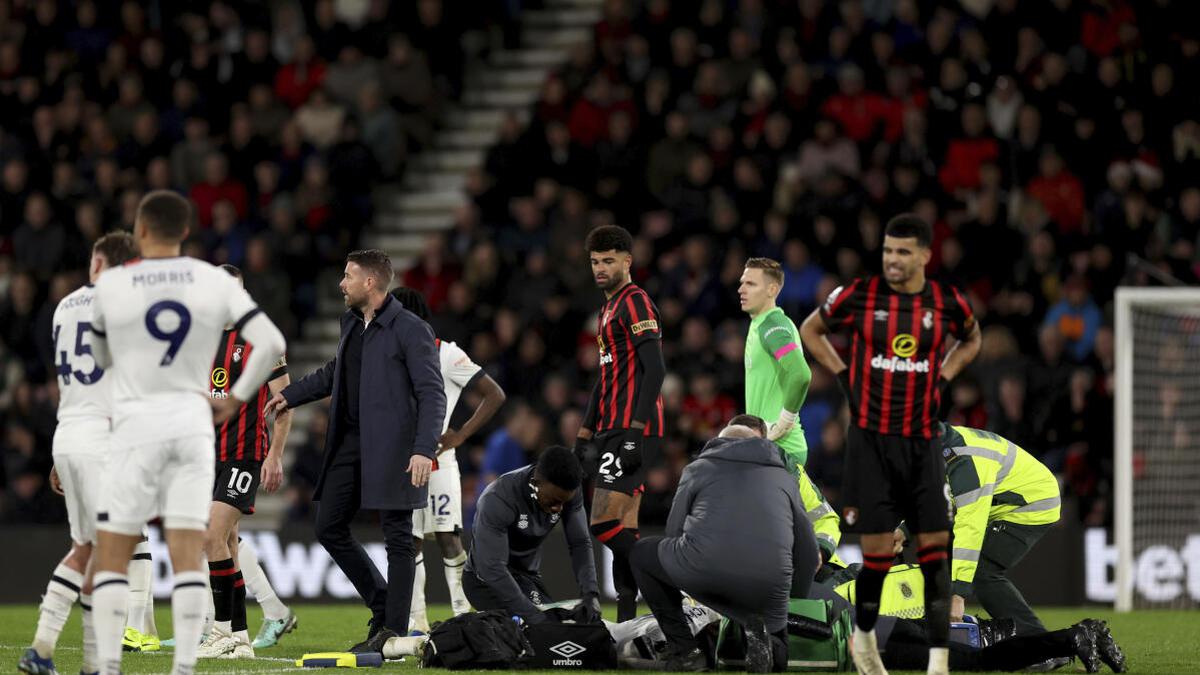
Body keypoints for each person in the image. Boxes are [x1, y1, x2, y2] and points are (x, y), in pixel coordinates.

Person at [86, 190, 287, 675]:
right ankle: (233, 635)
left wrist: (261, 434)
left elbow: (103, 359)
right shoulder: (202, 312)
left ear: (143, 231)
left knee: (196, 540)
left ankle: (224, 632)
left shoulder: (126, 289)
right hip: (203, 449)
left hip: (223, 447)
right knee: (213, 544)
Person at [800, 213, 982, 675]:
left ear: (924, 255)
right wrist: (844, 377)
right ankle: (864, 643)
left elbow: (972, 338)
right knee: (877, 558)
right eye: (887, 251)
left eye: (902, 252)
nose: (893, 260)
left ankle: (938, 663)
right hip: (871, 445)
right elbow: (811, 330)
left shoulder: (946, 302)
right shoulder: (859, 296)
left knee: (936, 555)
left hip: (922, 442)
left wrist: (943, 375)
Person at [264, 249, 446, 653]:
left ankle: (392, 630)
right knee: (328, 525)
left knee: (397, 537)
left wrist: (422, 448)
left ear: (370, 283)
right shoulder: (352, 322)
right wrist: (290, 396)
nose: (341, 284)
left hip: (397, 448)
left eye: (348, 276)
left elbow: (432, 393)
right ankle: (382, 604)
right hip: (349, 443)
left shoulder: (409, 328)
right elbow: (335, 372)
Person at [18, 233, 139, 675]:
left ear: (97, 265)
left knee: (84, 549)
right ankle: (96, 662)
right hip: (103, 442)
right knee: (111, 557)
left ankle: (50, 652)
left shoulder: (63, 308)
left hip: (67, 435)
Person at [629, 421, 820, 673]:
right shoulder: (784, 478)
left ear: (718, 443)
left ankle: (687, 652)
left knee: (642, 554)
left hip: (705, 569)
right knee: (779, 657)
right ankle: (770, 642)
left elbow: (673, 532)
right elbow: (807, 551)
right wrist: (789, 603)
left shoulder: (697, 469)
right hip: (769, 585)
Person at [188, 263, 295, 658]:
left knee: (211, 538)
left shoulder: (261, 340)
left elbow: (284, 404)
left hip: (244, 456)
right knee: (228, 545)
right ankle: (238, 638)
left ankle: (219, 632)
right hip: (208, 457)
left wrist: (275, 455)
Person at [390, 287, 507, 634]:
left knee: (447, 536)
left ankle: (462, 613)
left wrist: (461, 434)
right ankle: (418, 623)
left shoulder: (447, 354)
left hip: (440, 461)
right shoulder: (391, 355)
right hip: (405, 462)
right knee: (409, 541)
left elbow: (494, 394)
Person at [574, 225, 667, 622]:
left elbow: (656, 370)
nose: (600, 268)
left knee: (603, 522)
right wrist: (585, 429)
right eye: (595, 261)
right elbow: (606, 375)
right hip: (612, 427)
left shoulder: (635, 303)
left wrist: (634, 431)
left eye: (608, 260)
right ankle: (627, 623)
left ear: (627, 262)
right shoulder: (607, 308)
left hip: (633, 429)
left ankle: (669, 578)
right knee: (624, 529)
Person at [941, 424, 1061, 635]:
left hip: (1031, 504)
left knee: (981, 571)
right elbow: (940, 497)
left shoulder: (964, 462)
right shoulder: (947, 441)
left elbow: (970, 526)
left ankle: (1039, 646)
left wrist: (958, 595)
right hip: (1013, 497)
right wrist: (905, 530)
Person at [462, 445, 601, 625]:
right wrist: (535, 617)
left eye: (563, 503)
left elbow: (580, 543)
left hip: (526, 578)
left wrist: (590, 594)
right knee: (534, 632)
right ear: (536, 482)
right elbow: (492, 568)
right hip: (484, 581)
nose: (558, 509)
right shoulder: (499, 498)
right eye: (553, 502)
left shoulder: (568, 490)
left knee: (567, 626)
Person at [739, 257, 812, 468]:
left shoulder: (773, 325)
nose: (741, 289)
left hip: (781, 449)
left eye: (750, 284)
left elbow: (801, 375)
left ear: (772, 290)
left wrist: (783, 424)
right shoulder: (759, 323)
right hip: (768, 447)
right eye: (742, 282)